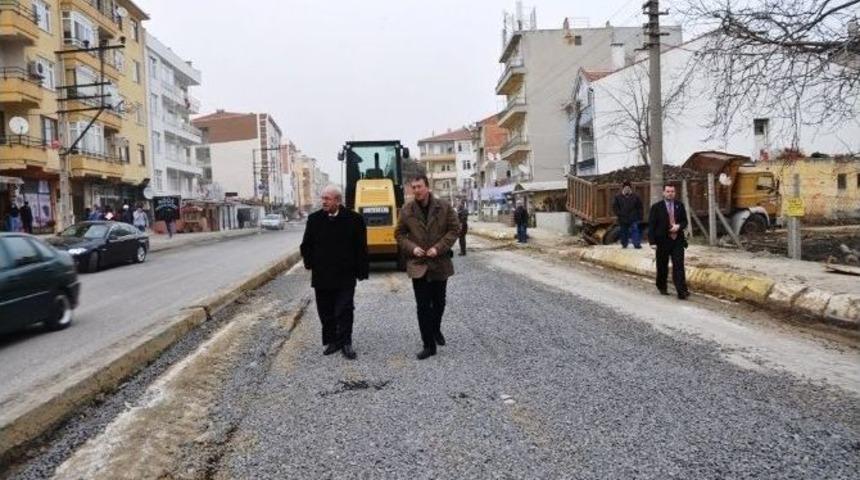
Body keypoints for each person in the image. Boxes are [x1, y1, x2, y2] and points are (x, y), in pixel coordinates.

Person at [395, 175, 460, 360]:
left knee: (439, 302)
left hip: (439, 262)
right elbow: (399, 234)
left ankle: (435, 329)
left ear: (427, 187)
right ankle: (428, 345)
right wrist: (412, 248)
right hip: (418, 264)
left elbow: (454, 229)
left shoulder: (444, 207)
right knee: (423, 306)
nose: (416, 190)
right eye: (413, 187)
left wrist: (438, 248)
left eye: (419, 186)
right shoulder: (407, 210)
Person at [300, 184, 369, 360]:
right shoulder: (314, 219)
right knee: (325, 310)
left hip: (345, 274)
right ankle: (332, 341)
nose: (323, 201)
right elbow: (306, 245)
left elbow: (361, 247)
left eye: (327, 199)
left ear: (338, 200)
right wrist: (309, 263)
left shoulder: (354, 219)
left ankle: (346, 342)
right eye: (322, 198)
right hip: (322, 275)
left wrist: (361, 271)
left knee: (344, 309)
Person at [648, 184, 690, 300]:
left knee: (678, 265)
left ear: (675, 193)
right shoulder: (656, 207)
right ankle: (662, 286)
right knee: (662, 265)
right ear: (663, 193)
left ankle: (681, 290)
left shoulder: (679, 205)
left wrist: (678, 226)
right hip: (662, 241)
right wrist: (652, 242)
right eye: (668, 191)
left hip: (677, 240)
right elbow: (651, 226)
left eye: (672, 191)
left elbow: (685, 221)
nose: (670, 194)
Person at [612, 181, 643, 249]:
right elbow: (615, 207)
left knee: (635, 231)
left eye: (628, 188)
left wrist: (640, 216)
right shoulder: (618, 197)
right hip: (623, 218)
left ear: (630, 188)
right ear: (623, 188)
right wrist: (619, 214)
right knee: (623, 232)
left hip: (633, 218)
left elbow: (640, 207)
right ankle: (624, 244)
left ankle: (636, 244)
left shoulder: (635, 196)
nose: (627, 190)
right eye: (626, 188)